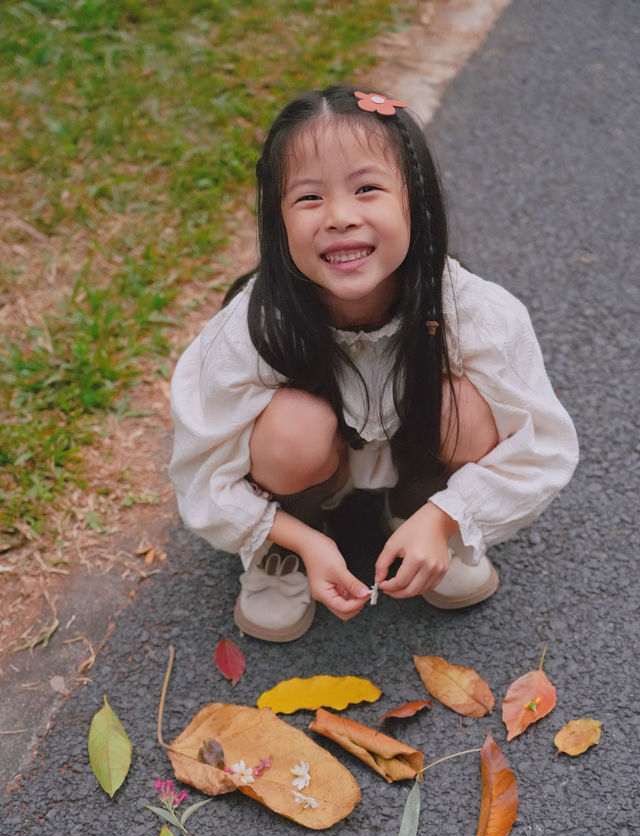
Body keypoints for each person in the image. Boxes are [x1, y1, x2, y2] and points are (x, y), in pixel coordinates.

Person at [169, 83, 578, 643]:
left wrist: (446, 516)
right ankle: (285, 548)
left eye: (367, 188)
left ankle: (418, 516)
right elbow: (201, 470)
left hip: (420, 456)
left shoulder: (471, 309)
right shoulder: (253, 327)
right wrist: (298, 538)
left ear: (416, 201)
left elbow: (543, 445)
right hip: (308, 468)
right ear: (277, 221)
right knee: (292, 429)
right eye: (309, 198)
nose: (339, 217)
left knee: (464, 407)